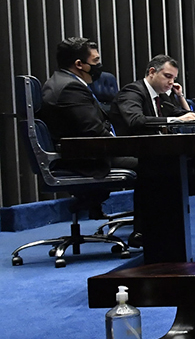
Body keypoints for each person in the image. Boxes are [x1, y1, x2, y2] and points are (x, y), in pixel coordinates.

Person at [39, 37, 137, 213]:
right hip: (86, 160)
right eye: (95, 61)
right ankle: (149, 231)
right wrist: (131, 146)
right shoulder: (70, 88)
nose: (99, 66)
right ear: (79, 64)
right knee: (157, 164)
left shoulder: (61, 81)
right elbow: (95, 132)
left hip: (81, 153)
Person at [109, 55, 195, 135]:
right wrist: (175, 121)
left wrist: (180, 97)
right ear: (152, 72)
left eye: (174, 78)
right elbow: (136, 120)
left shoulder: (162, 96)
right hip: (133, 147)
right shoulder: (131, 91)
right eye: (168, 76)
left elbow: (180, 114)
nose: (171, 82)